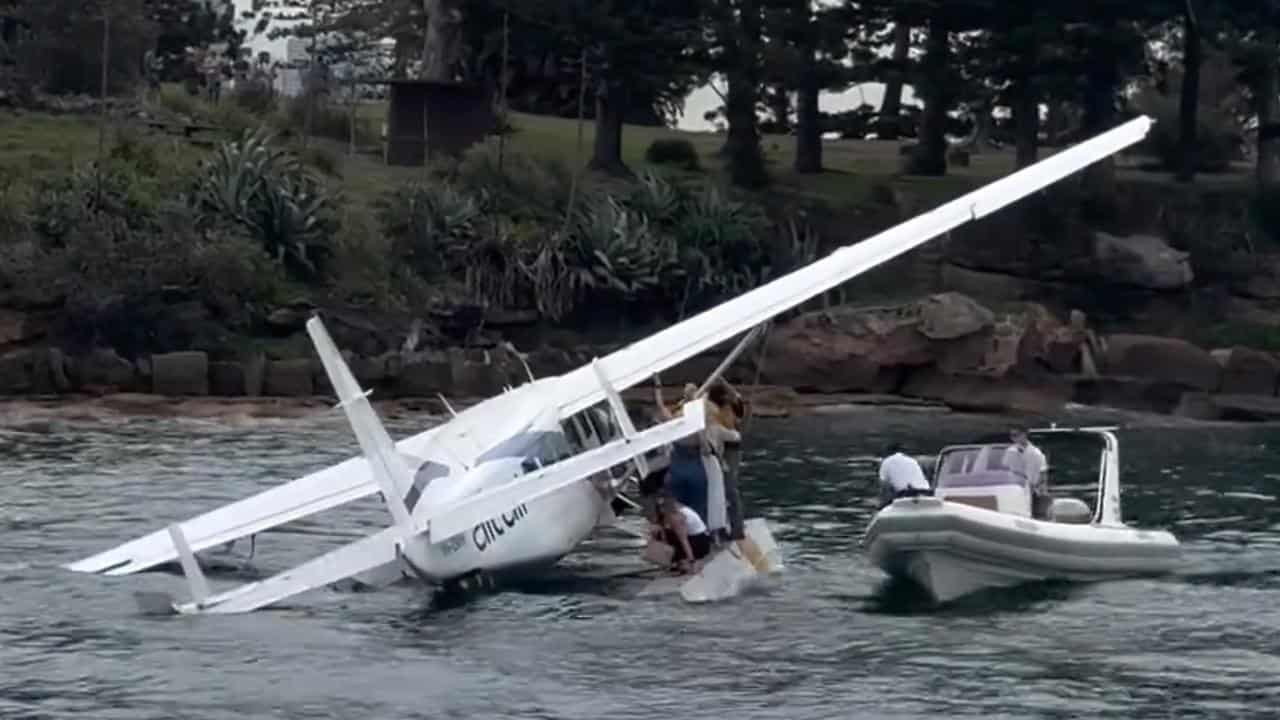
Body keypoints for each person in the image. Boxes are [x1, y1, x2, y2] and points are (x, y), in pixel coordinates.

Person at [654, 378, 709, 523]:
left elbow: (660, 406)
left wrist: (658, 385)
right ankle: (699, 533)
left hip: (676, 469)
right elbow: (706, 449)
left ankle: (677, 535)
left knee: (676, 506)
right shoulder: (698, 423)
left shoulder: (676, 422)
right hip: (695, 470)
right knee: (698, 507)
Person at [707, 381, 747, 541]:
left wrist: (725, 384)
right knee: (719, 490)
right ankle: (722, 526)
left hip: (731, 447)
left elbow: (738, 400)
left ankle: (737, 529)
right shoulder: (710, 407)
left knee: (729, 489)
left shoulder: (731, 404)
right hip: (719, 447)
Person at [652, 490, 712, 575]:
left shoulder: (676, 516)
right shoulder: (675, 509)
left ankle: (683, 561)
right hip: (696, 537)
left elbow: (684, 540)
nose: (661, 509)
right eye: (659, 507)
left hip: (700, 541)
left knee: (669, 534)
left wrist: (692, 562)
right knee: (659, 532)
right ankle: (672, 561)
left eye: (663, 506)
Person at [1004, 428, 1050, 518]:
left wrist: (1039, 486)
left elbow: (1043, 472)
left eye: (1016, 435)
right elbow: (1005, 469)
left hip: (1033, 490)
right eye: (1012, 436)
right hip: (1015, 489)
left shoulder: (1036, 453)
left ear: (1024, 435)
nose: (1014, 438)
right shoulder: (1010, 452)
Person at [877, 442, 932, 508]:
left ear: (888, 452)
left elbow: (884, 486)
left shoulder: (886, 462)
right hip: (927, 493)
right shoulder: (912, 460)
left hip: (905, 495)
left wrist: (881, 506)